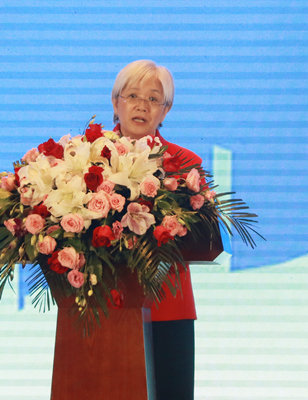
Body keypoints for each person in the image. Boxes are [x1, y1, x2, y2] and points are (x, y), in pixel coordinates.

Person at [111, 59, 202, 400]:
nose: (142, 105)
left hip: (167, 306)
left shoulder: (186, 164)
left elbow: (198, 235)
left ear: (166, 110)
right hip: (102, 305)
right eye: (133, 95)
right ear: (116, 103)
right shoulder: (86, 160)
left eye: (153, 99)